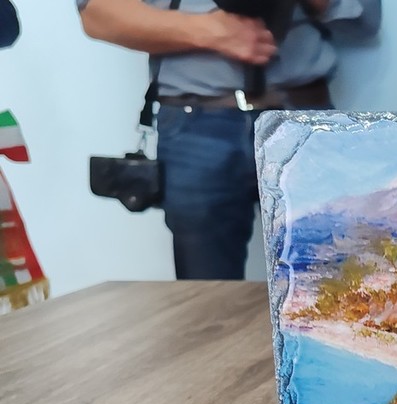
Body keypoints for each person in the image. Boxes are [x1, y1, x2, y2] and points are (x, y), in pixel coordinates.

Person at [76, 0, 337, 280]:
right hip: (196, 123)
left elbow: (358, 15)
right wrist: (209, 31)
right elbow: (97, 13)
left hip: (303, 116)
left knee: (329, 287)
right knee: (207, 291)